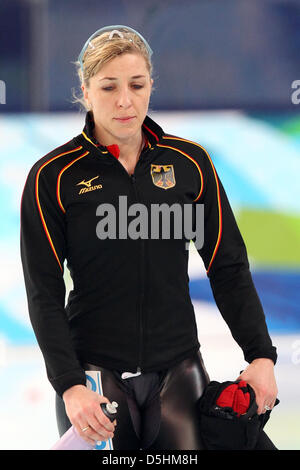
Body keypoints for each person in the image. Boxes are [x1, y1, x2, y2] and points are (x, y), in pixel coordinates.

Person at [20, 25, 278, 450]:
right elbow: (43, 291)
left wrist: (261, 355)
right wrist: (69, 385)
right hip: (94, 375)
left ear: (151, 86)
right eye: (108, 87)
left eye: (137, 84)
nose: (125, 100)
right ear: (85, 91)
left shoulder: (189, 163)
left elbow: (227, 266)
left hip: (178, 368)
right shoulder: (54, 176)